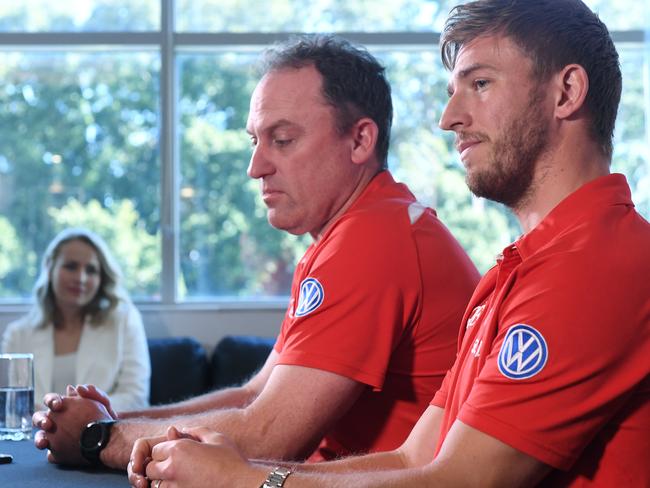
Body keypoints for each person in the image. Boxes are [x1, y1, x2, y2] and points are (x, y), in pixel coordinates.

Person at [127, 1, 650, 487]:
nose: (449, 119)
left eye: (481, 84)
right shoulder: (519, 271)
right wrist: (231, 468)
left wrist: (243, 480)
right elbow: (415, 459)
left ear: (566, 93)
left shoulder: (596, 265)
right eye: (453, 92)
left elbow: (461, 482)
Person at [32, 35, 480, 474]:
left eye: (282, 140)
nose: (255, 167)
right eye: (255, 141)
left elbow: (269, 434)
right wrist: (121, 423)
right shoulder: (358, 231)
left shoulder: (372, 240)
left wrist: (98, 439)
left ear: (361, 140)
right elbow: (254, 395)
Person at [1, 227, 149, 412]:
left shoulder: (124, 320)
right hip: (34, 435)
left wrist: (81, 412)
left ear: (101, 278)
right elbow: (12, 405)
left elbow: (136, 398)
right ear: (49, 268)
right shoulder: (17, 335)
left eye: (91, 270)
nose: (81, 278)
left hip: (103, 435)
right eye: (71, 266)